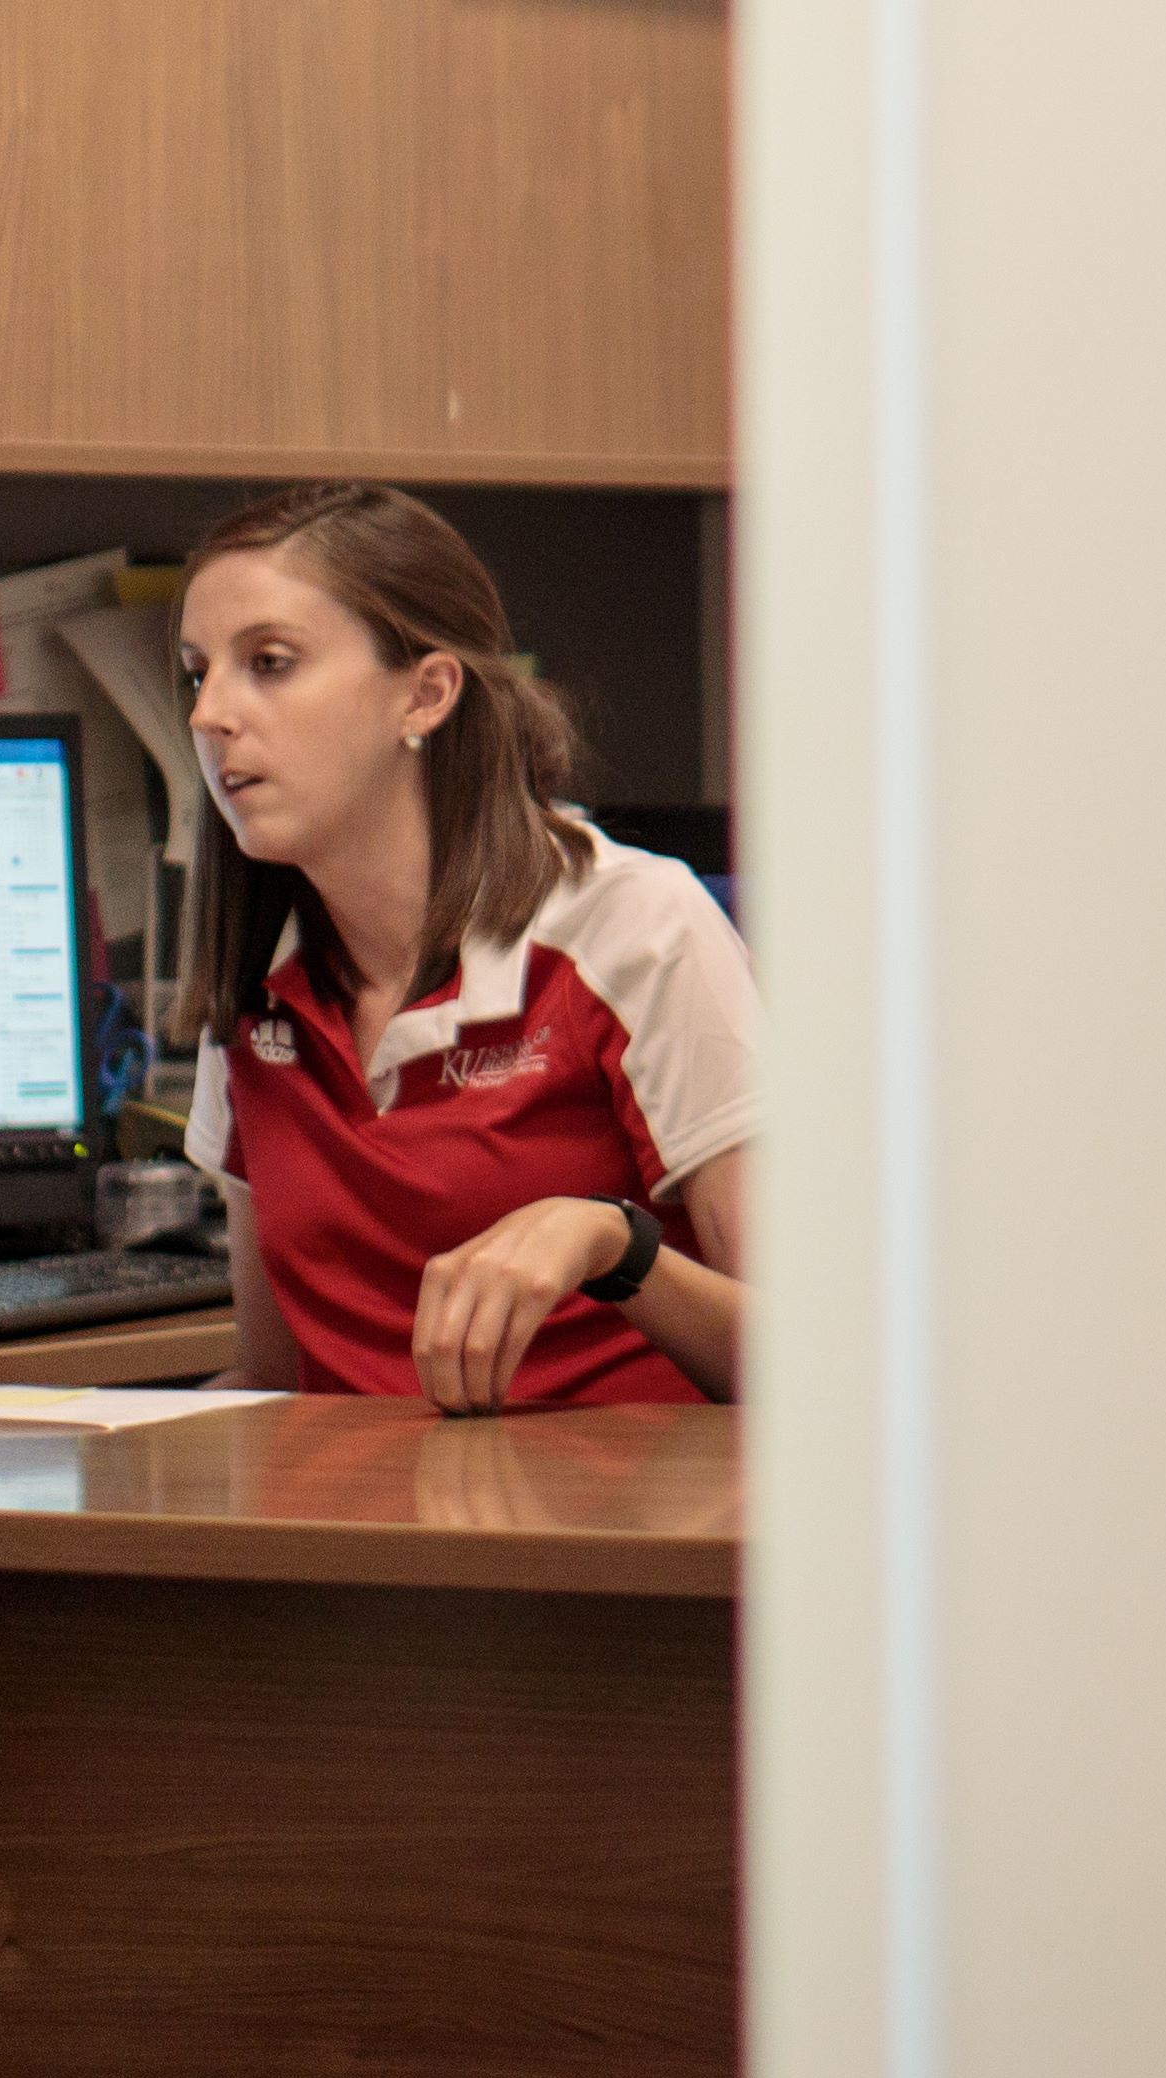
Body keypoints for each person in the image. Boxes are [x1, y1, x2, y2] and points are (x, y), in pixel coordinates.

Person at [174, 481, 757, 1409]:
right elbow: (272, 1383)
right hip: (351, 1533)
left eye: (270, 662)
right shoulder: (255, 977)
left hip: (605, 1529)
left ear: (427, 694)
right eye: (198, 672)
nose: (210, 715)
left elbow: (810, 1377)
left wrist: (614, 1242)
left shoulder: (634, 926)